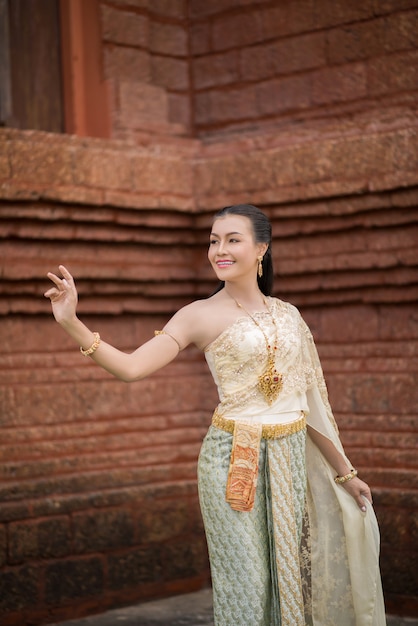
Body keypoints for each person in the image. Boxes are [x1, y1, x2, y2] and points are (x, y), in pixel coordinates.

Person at [45, 204, 385, 626]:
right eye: (213, 240)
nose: (219, 250)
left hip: (288, 461)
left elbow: (310, 404)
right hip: (231, 460)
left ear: (262, 248)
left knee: (290, 578)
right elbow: (132, 369)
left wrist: (346, 474)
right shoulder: (197, 315)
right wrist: (72, 322)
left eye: (232, 239)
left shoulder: (289, 316)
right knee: (246, 584)